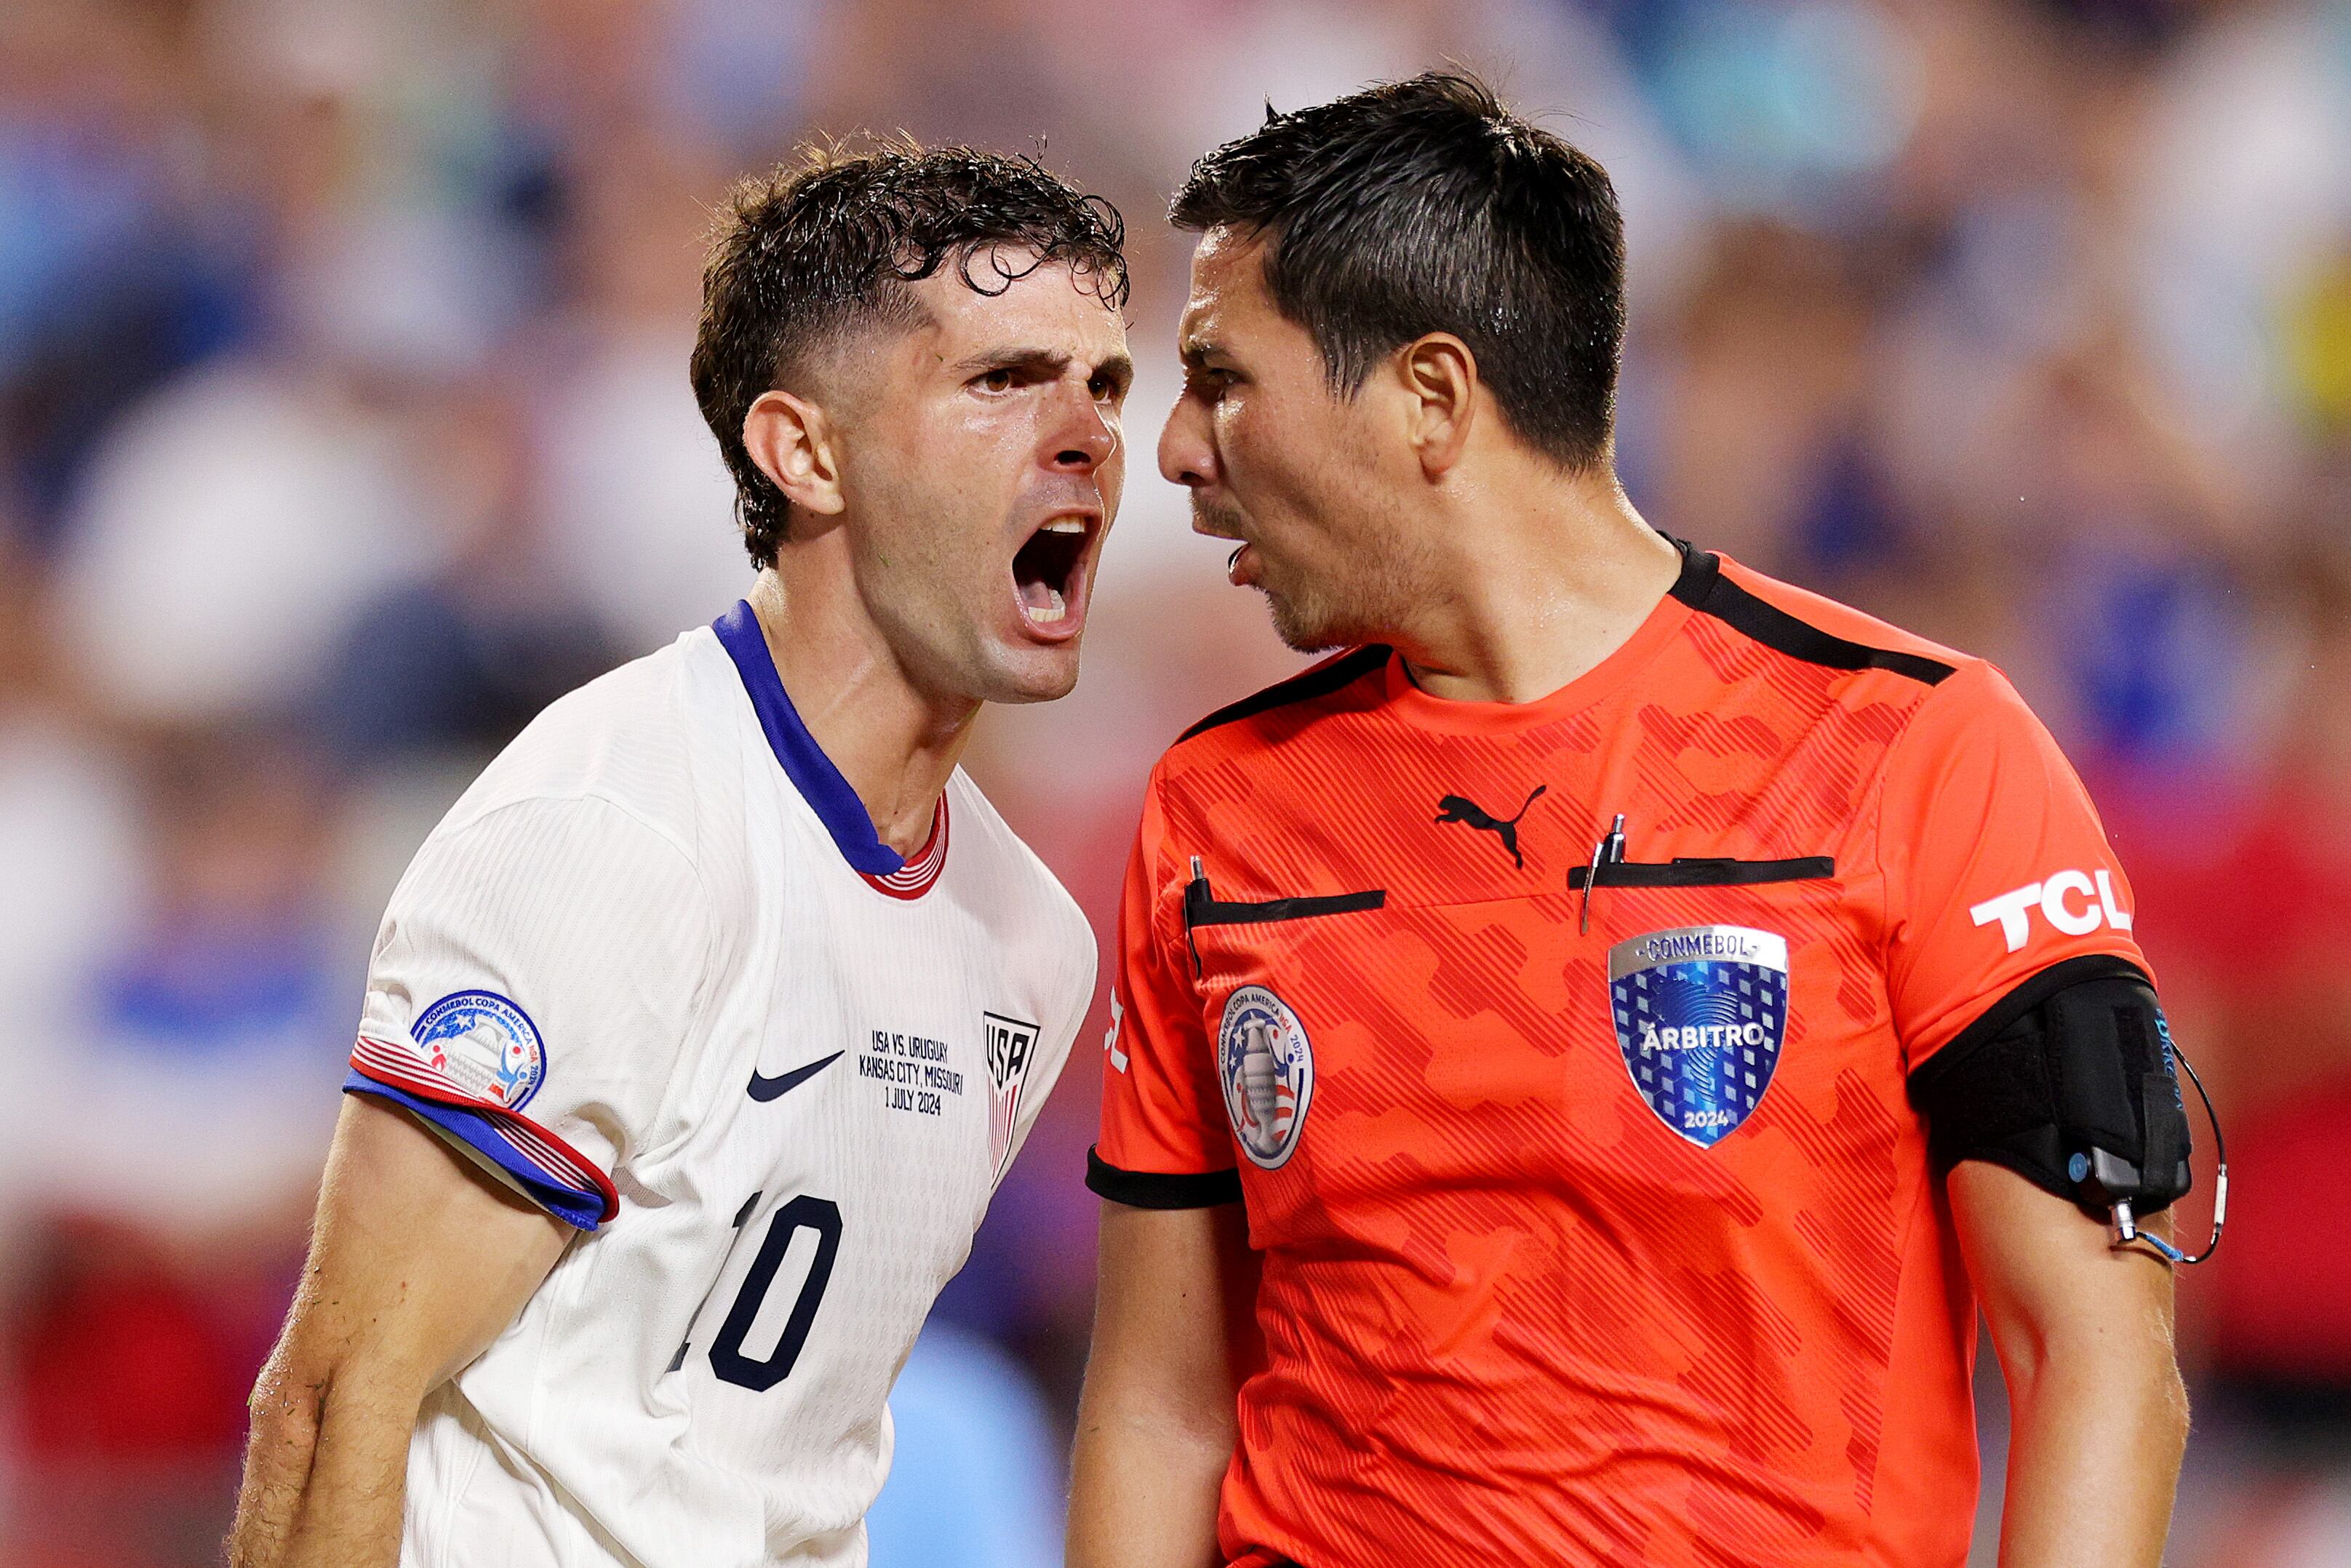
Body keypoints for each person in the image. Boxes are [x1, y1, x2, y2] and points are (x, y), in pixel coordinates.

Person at [1069, 73, 2193, 1568]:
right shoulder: (1214, 808)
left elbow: (2096, 1358)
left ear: (1426, 397)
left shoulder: (1914, 752)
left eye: (1220, 380)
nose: (1175, 451)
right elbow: (1158, 1404)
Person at [229, 143, 1130, 1567]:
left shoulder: (1030, 935)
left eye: (1104, 384)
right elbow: (336, 1405)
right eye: (1000, 382)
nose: (1085, 434)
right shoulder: (613, 828)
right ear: (804, 451)